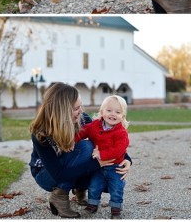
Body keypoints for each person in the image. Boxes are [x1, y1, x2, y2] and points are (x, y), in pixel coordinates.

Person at [29, 82, 131, 219]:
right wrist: (98, 163)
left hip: (70, 169)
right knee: (86, 147)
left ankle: (80, 188)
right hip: (47, 175)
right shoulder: (42, 133)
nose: (81, 111)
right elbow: (58, 174)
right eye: (77, 108)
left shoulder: (82, 120)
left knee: (107, 176)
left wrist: (127, 160)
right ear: (63, 110)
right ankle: (59, 197)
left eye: (81, 106)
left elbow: (105, 141)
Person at [76, 96, 130, 218]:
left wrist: (102, 154)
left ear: (123, 116)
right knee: (94, 185)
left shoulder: (121, 132)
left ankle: (116, 208)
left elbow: (119, 150)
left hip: (115, 167)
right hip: (98, 167)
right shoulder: (95, 125)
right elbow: (82, 131)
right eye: (109, 110)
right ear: (102, 112)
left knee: (117, 188)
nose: (113, 114)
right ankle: (92, 205)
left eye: (118, 112)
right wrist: (72, 141)